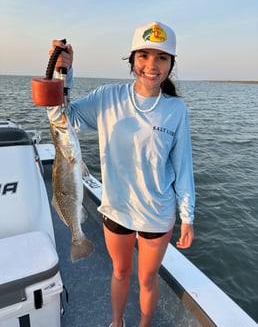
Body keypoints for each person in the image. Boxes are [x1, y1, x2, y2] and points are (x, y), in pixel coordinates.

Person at [47, 21, 195, 327]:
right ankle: (117, 322)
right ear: (132, 61)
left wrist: (187, 217)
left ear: (171, 64)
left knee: (148, 280)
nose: (151, 65)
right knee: (119, 272)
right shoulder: (107, 97)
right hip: (116, 209)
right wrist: (62, 73)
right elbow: (63, 119)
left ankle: (142, 324)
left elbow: (183, 168)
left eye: (161, 58)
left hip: (158, 213)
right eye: (143, 56)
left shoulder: (176, 110)